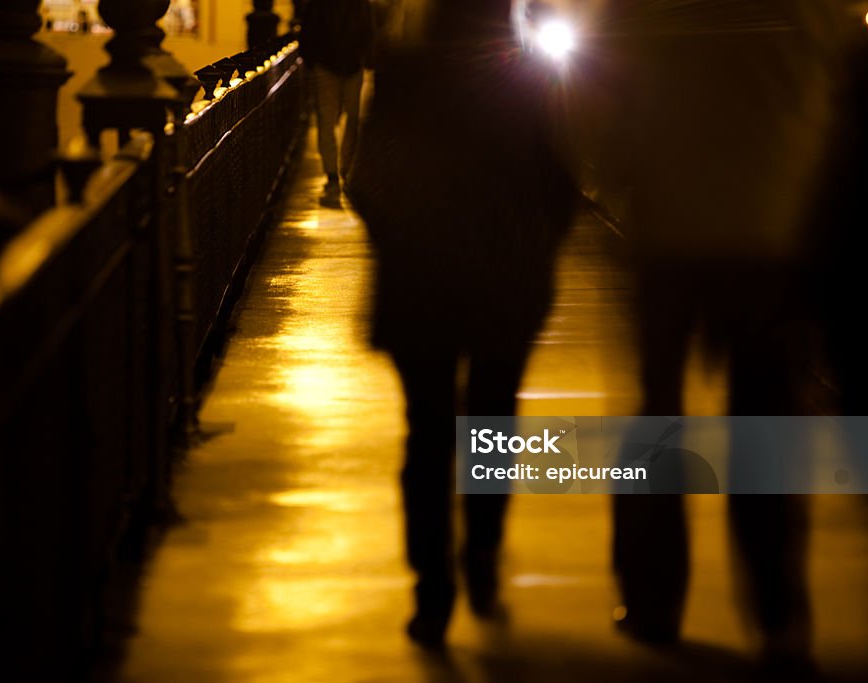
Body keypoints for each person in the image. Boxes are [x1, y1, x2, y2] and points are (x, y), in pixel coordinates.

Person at [591, 0, 850, 669]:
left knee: (657, 421)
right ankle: (778, 614)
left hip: (667, 225)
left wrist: (616, 172)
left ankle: (653, 601)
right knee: (765, 427)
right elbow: (840, 82)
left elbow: (600, 91)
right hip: (770, 226)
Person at [347, 0, 577, 649]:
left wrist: (401, 236)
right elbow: (560, 181)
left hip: (420, 279)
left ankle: (432, 588)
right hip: (506, 276)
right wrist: (536, 250)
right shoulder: (527, 75)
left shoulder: (400, 70)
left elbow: (369, 178)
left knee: (426, 432)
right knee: (493, 421)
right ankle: (481, 556)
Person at [298, 0, 374, 206]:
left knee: (327, 119)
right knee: (353, 118)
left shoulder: (320, 5)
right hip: (351, 63)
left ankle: (333, 174)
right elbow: (367, 27)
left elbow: (309, 27)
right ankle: (345, 169)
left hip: (326, 63)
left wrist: (310, 60)